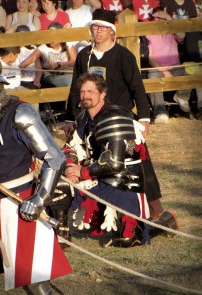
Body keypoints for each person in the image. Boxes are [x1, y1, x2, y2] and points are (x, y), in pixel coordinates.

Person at [64, 8, 178, 232]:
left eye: (103, 28)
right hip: (91, 121)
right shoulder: (83, 56)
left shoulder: (123, 55)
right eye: (95, 27)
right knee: (96, 164)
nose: (98, 31)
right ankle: (98, 215)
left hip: (122, 121)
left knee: (139, 166)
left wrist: (144, 118)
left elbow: (137, 86)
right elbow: (75, 90)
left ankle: (159, 214)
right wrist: (70, 118)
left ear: (112, 32)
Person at [0, 49, 72, 295]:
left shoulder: (20, 112)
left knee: (33, 275)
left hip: (15, 201)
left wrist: (39, 199)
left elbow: (54, 157)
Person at [64, 72, 151, 247]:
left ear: (103, 93)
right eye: (82, 92)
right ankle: (62, 234)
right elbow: (70, 146)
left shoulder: (114, 116)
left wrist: (82, 171)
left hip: (122, 183)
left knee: (127, 240)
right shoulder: (82, 118)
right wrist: (70, 165)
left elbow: (114, 162)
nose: (85, 96)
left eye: (90, 91)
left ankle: (162, 223)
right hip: (98, 177)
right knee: (60, 185)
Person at [147, 7, 191, 124]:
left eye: (159, 17)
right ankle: (160, 112)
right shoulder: (149, 33)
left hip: (175, 67)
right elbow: (150, 58)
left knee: (189, 70)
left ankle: (182, 97)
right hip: (158, 68)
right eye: (154, 17)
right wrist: (164, 71)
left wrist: (168, 18)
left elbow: (182, 35)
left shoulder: (171, 30)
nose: (156, 20)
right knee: (152, 77)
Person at [19, 22, 76, 88]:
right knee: (70, 80)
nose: (51, 40)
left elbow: (74, 60)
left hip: (66, 72)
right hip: (51, 75)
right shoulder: (43, 47)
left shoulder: (67, 44)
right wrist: (14, 69)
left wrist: (59, 64)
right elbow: (30, 59)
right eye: (49, 37)